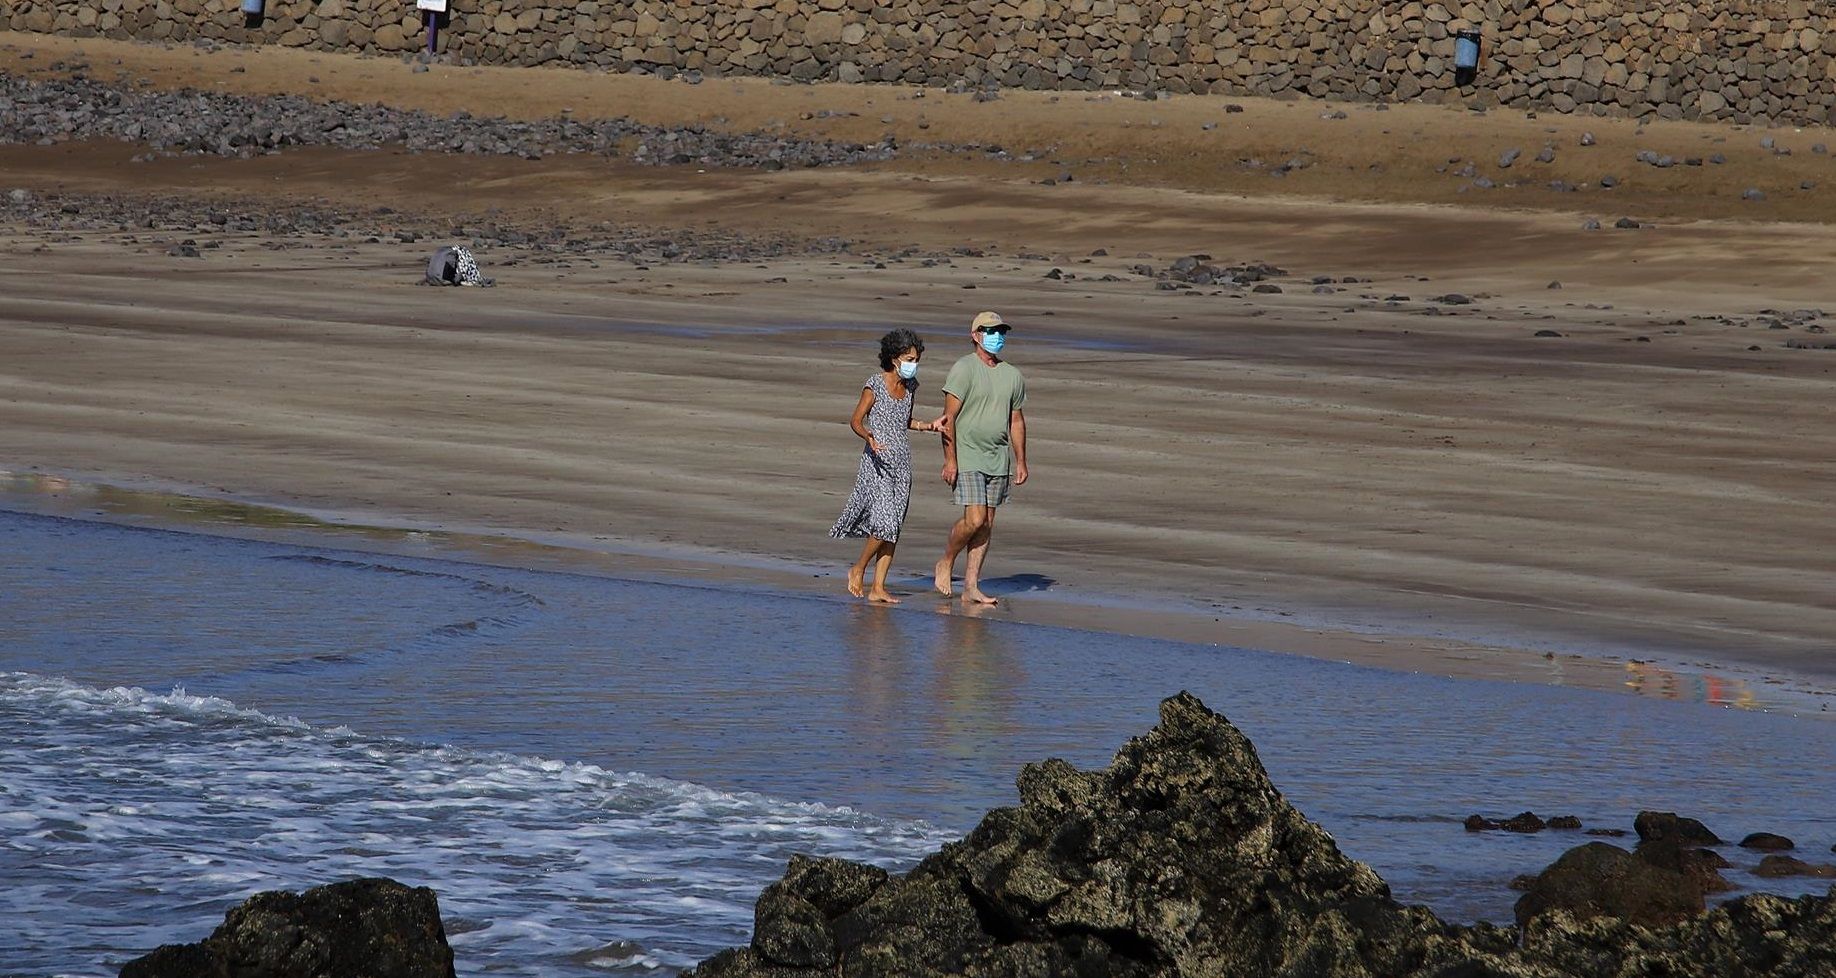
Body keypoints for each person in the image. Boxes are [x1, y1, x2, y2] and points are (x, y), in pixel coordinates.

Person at [830, 328, 946, 603]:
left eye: (916, 359)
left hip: (902, 463)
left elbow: (903, 420)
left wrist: (928, 426)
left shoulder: (910, 386)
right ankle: (857, 569)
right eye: (909, 358)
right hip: (877, 462)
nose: (913, 364)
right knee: (884, 523)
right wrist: (868, 436)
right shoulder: (874, 384)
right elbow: (856, 420)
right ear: (894, 358)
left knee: (894, 528)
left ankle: (878, 588)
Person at [935, 311, 1028, 606]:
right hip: (969, 454)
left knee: (987, 523)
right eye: (990, 330)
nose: (997, 336)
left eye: (1001, 331)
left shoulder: (1012, 375)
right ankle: (946, 561)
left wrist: (1021, 460)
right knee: (974, 519)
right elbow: (948, 419)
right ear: (975, 335)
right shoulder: (964, 368)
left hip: (998, 458)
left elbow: (1016, 421)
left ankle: (971, 586)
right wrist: (950, 460)